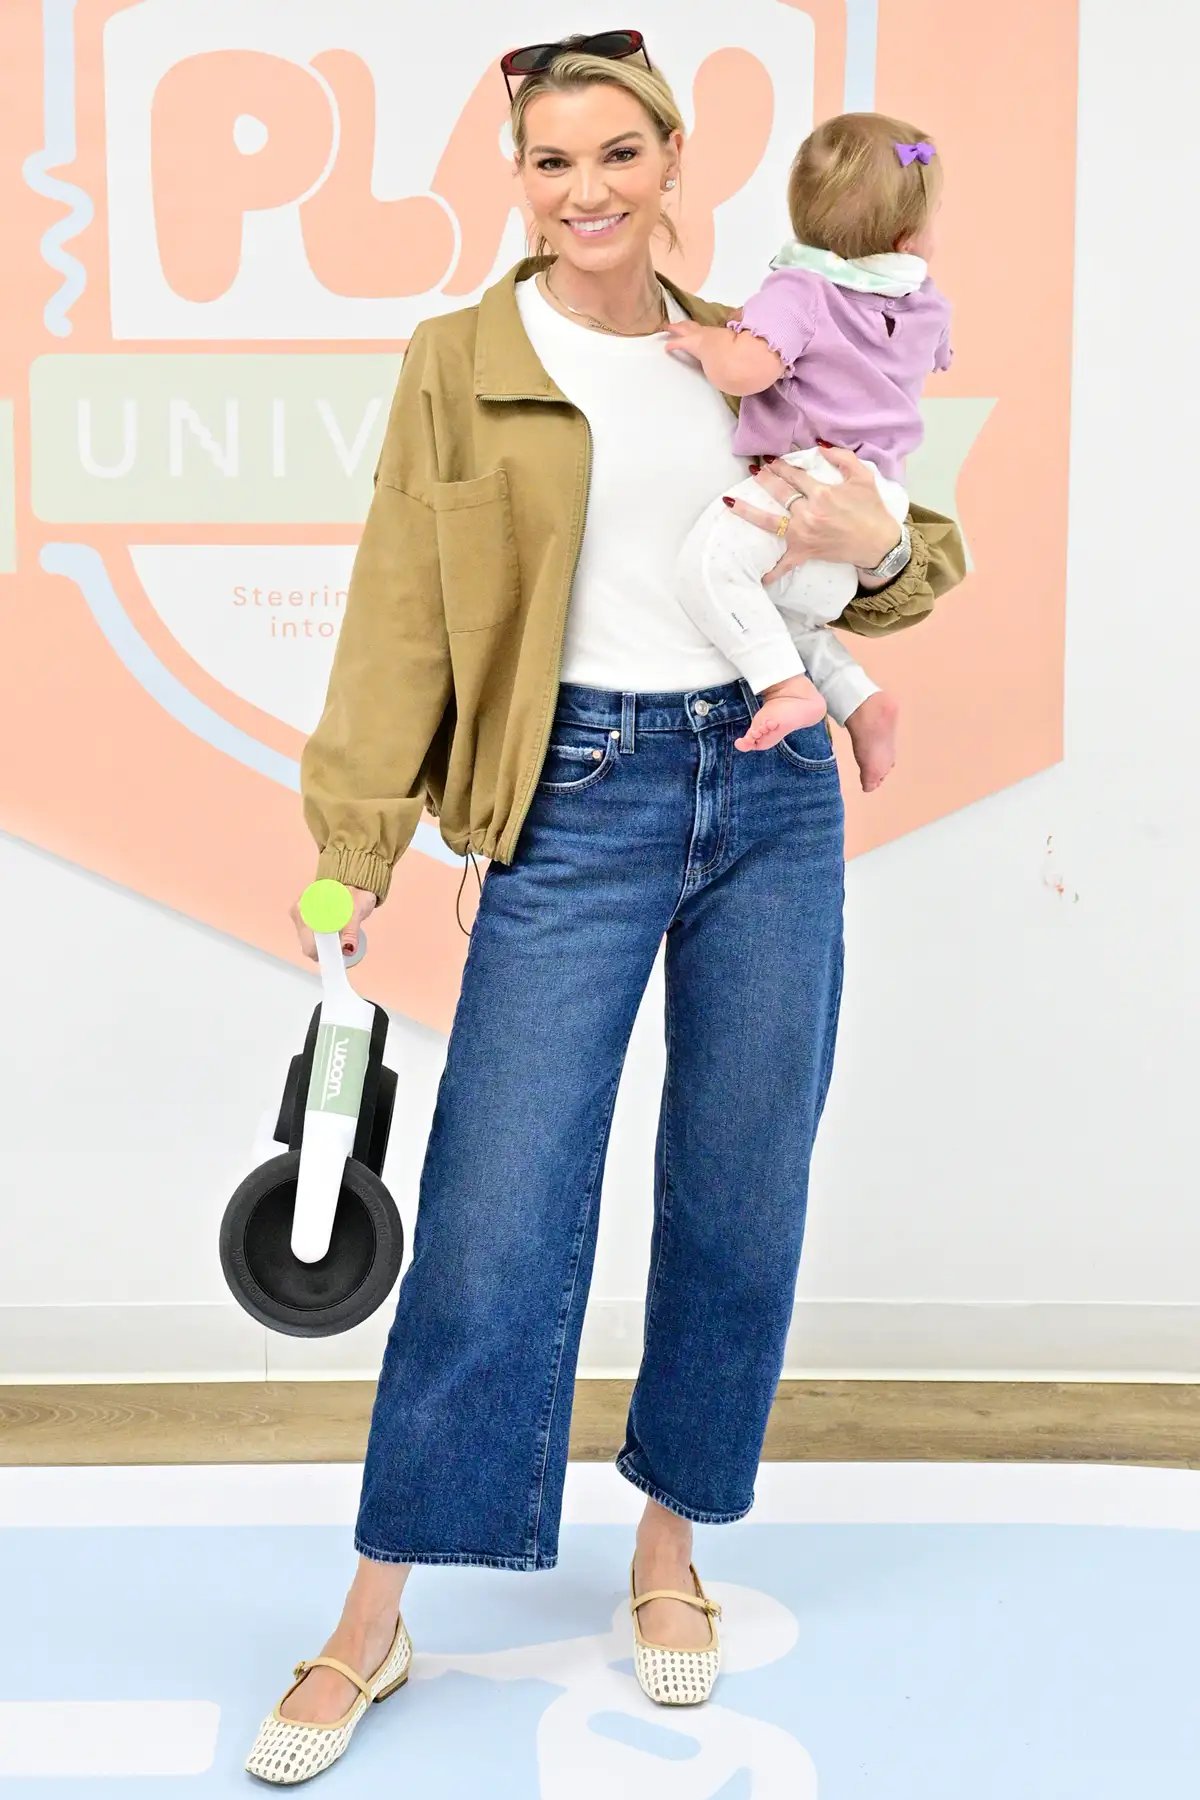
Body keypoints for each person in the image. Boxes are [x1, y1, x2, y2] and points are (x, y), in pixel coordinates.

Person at [246, 28, 966, 1784]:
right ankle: (373, 1615)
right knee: (497, 1207)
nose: (586, 193)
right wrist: (353, 836)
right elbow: (401, 607)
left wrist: (878, 549)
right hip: (572, 802)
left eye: (616, 155)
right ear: (518, 180)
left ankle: (669, 1551)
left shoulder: (756, 343)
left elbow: (893, 548)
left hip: (774, 791)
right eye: (550, 163)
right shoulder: (462, 361)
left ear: (670, 159)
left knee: (739, 1181)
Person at [665, 110, 953, 792]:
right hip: (874, 493)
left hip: (812, 475)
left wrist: (710, 340)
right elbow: (929, 358)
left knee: (705, 569)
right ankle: (859, 699)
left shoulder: (802, 289)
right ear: (909, 236)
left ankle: (788, 689)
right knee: (780, 612)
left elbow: (746, 370)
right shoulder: (925, 302)